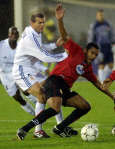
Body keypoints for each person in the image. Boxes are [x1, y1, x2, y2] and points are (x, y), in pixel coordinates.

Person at [16, 4, 115, 140]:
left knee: (85, 106)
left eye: (96, 55)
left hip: (65, 88)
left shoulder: (87, 68)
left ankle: (60, 127)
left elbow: (98, 84)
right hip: (54, 81)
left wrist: (112, 97)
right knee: (55, 108)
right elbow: (64, 36)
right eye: (92, 53)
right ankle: (25, 129)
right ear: (86, 51)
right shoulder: (76, 50)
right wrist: (60, 20)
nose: (93, 56)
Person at [12, 11, 70, 138]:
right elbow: (44, 56)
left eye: (43, 22)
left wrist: (55, 45)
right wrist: (65, 55)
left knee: (53, 90)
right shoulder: (30, 38)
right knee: (41, 94)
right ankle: (38, 130)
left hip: (31, 69)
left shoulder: (35, 33)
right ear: (31, 23)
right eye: (39, 22)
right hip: (22, 70)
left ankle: (60, 125)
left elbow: (41, 48)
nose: (42, 25)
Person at [0, 27, 35, 116]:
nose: (14, 35)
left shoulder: (21, 46)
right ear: (9, 35)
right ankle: (34, 113)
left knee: (26, 90)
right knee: (17, 97)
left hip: (18, 71)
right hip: (5, 75)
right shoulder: (1, 45)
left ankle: (40, 107)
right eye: (12, 33)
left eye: (16, 33)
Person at [87, 9, 115, 83]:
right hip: (99, 47)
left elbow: (112, 35)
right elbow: (91, 37)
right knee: (101, 64)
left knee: (111, 65)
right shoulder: (94, 25)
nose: (101, 16)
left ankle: (103, 80)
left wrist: (113, 42)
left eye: (102, 15)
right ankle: (102, 82)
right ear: (97, 16)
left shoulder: (108, 24)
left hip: (108, 47)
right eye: (99, 15)